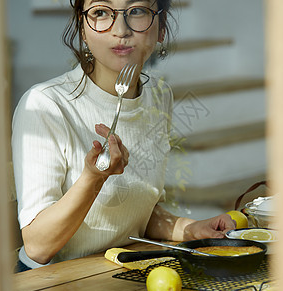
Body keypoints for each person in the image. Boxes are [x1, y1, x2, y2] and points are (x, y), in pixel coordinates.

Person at [12, 0, 236, 272]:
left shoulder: (158, 95)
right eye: (101, 12)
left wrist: (190, 229)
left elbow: (135, 210)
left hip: (118, 271)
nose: (121, 30)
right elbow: (38, 246)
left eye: (137, 11)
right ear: (83, 28)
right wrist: (93, 179)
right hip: (48, 283)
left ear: (161, 26)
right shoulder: (46, 105)